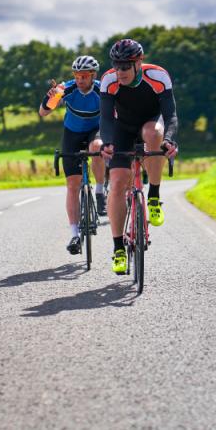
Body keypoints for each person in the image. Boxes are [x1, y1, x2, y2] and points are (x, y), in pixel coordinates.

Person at [99, 39, 178, 274]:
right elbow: (105, 118)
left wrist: (170, 140)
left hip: (150, 124)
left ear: (139, 63)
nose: (120, 71)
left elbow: (171, 115)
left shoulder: (158, 76)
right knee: (117, 184)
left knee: (152, 133)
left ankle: (153, 195)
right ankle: (118, 249)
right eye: (116, 65)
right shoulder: (109, 80)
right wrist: (109, 142)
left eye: (125, 66)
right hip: (122, 128)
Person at [39, 55, 107, 255]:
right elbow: (43, 113)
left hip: (96, 129)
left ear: (93, 75)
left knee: (97, 146)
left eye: (84, 76)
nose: (80, 80)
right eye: (77, 76)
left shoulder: (101, 89)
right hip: (72, 133)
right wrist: (50, 97)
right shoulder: (65, 89)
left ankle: (101, 191)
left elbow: (117, 111)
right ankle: (75, 235)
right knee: (72, 185)